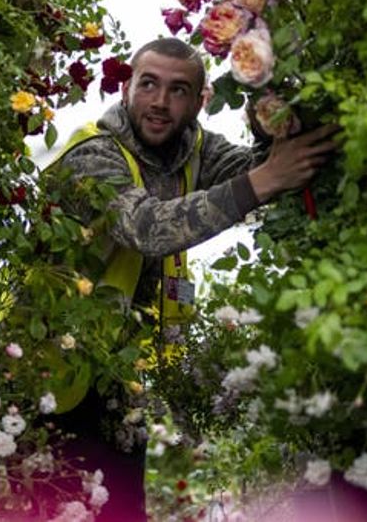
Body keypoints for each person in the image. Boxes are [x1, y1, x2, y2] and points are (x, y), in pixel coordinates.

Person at [45, 37, 338, 521]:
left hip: (121, 380)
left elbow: (264, 173)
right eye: (148, 85)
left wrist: (270, 121)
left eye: (178, 90)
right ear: (126, 90)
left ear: (201, 100)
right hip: (53, 373)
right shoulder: (92, 154)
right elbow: (146, 228)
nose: (160, 102)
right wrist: (267, 178)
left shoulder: (192, 150)